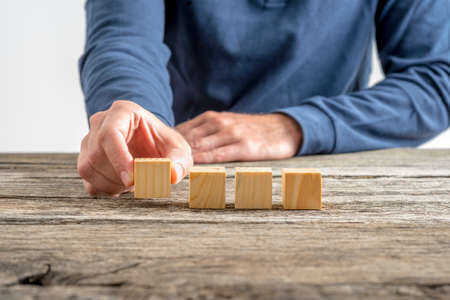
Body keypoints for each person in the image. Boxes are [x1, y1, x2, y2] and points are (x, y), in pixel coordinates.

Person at [77, 0, 450, 196]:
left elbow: (439, 79)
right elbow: (123, 38)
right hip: (183, 173)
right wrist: (134, 109)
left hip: (337, 175)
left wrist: (294, 127)